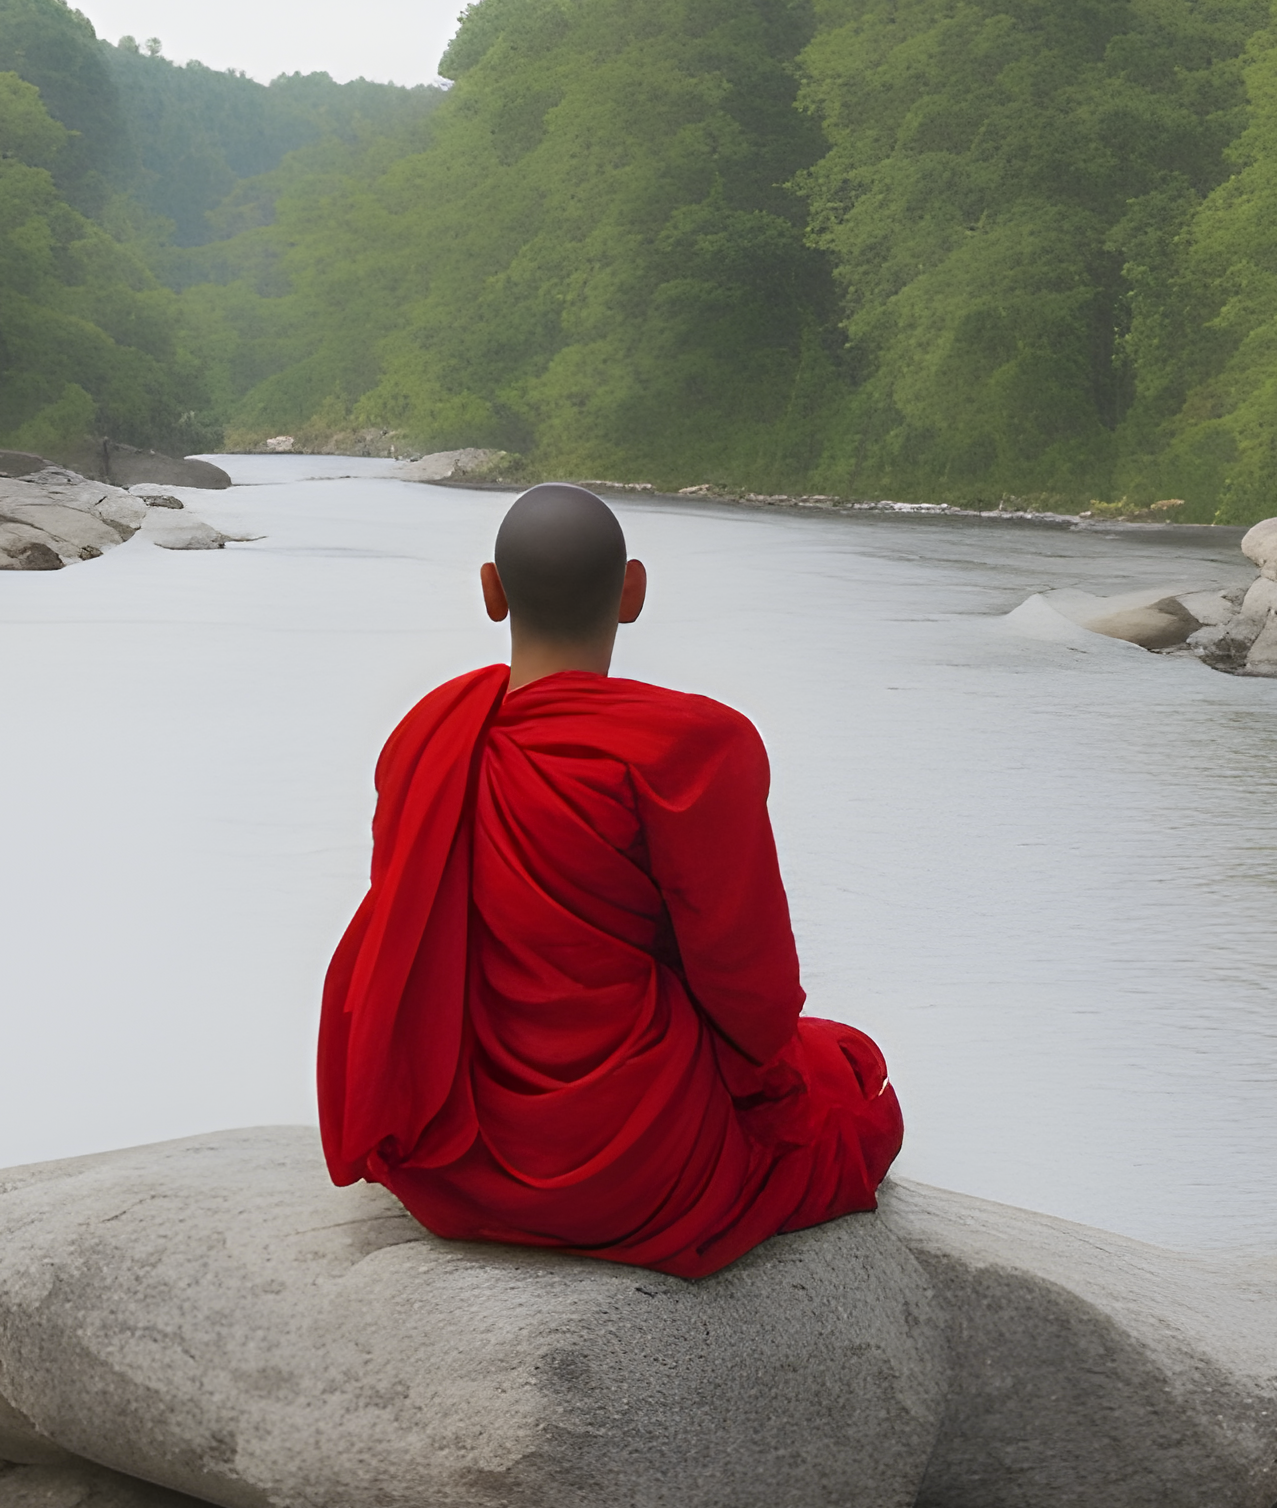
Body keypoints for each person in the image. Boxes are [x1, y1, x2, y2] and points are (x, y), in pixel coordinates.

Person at [316, 483, 904, 1279]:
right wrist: (775, 1100)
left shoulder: (426, 738)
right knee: (853, 1077)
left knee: (836, 1066)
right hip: (632, 1163)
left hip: (447, 1153)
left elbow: (412, 951)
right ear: (633, 591)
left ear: (492, 591)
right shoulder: (691, 747)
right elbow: (749, 991)